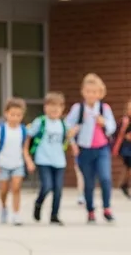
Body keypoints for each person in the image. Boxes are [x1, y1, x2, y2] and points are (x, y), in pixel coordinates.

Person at [66, 73, 117, 223]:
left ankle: (107, 208)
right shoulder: (78, 108)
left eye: (95, 92)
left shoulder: (104, 108)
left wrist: (104, 123)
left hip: (101, 149)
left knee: (106, 178)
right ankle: (90, 210)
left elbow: (112, 127)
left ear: (100, 93)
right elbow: (67, 126)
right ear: (83, 92)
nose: (91, 95)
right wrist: (72, 140)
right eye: (88, 91)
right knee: (88, 182)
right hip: (84, 149)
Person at [0, 97, 35, 225]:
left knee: (16, 188)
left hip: (17, 164)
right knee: (3, 190)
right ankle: (4, 206)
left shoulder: (23, 130)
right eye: (12, 114)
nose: (15, 117)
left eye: (18, 115)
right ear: (6, 114)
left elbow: (24, 149)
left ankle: (16, 214)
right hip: (3, 164)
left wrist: (29, 162)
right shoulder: (0, 129)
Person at [26, 92, 68, 225]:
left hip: (59, 160)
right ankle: (38, 204)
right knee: (47, 186)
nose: (54, 109)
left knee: (58, 189)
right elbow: (29, 135)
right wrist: (28, 156)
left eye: (58, 106)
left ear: (62, 109)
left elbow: (66, 141)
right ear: (45, 107)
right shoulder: (41, 121)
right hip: (43, 159)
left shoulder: (63, 124)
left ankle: (54, 215)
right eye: (51, 106)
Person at [112, 99, 131, 198]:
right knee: (128, 167)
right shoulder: (124, 121)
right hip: (126, 149)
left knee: (127, 168)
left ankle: (124, 184)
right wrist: (125, 136)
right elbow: (117, 133)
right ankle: (124, 185)